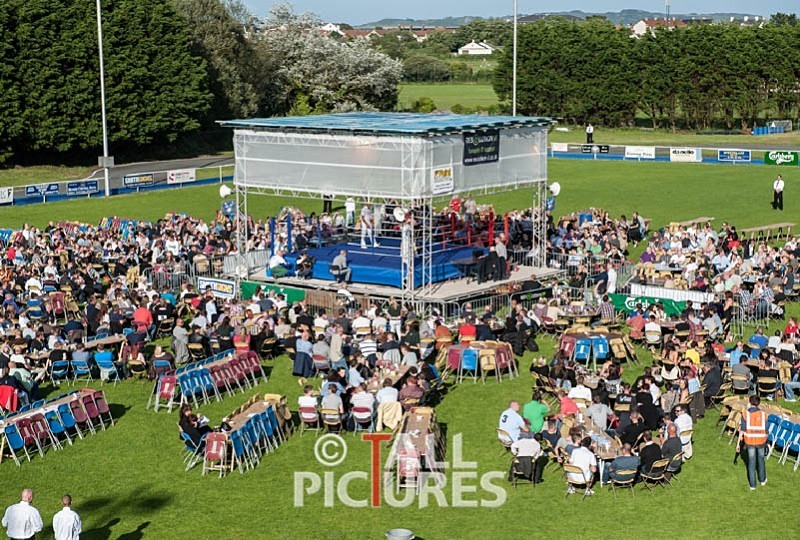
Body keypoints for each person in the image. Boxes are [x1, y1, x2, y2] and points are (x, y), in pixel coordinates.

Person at [737, 395, 768, 490]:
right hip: (761, 441)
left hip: (749, 441)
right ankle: (762, 480)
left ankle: (753, 485)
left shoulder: (745, 414)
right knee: (761, 460)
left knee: (751, 462)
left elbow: (742, 430)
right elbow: (766, 431)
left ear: (750, 403)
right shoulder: (764, 414)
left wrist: (738, 443)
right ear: (759, 403)